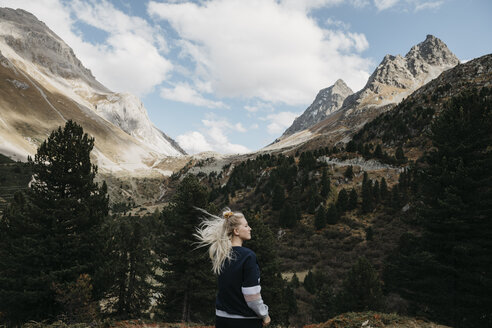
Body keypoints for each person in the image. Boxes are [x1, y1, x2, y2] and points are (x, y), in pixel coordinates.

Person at [195, 207, 271, 328]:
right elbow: (252, 296)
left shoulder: (221, 255)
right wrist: (264, 315)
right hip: (245, 321)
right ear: (236, 231)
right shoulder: (248, 256)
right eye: (246, 226)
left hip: (222, 319)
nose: (250, 228)